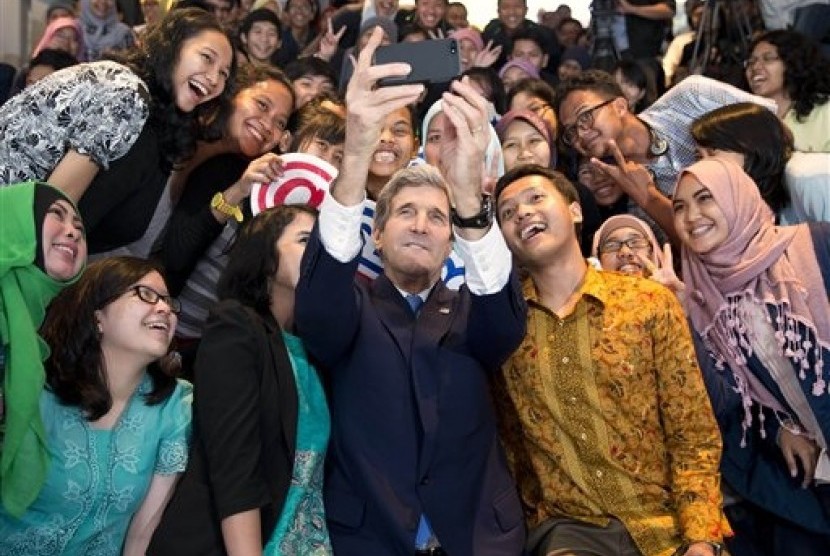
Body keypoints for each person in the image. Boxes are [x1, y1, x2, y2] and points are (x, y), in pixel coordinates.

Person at [294, 27, 527, 555]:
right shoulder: (350, 312)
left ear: (452, 243)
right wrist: (355, 154)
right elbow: (320, 304)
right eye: (405, 212)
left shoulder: (472, 311)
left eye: (437, 217)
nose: (421, 225)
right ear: (375, 234)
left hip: (478, 538)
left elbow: (504, 324)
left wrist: (468, 198)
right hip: (371, 539)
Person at [491, 163, 729, 556]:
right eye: (508, 212)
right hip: (569, 531)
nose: (523, 213)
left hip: (668, 522)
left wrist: (701, 539)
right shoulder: (505, 327)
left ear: (574, 210)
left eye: (535, 198)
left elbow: (693, 433)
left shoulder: (648, 302)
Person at [148, 205, 332, 555]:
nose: (319, 251)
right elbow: (235, 464)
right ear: (264, 255)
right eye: (306, 239)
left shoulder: (318, 349)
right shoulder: (235, 325)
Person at [672, 157, 830, 555]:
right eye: (679, 207)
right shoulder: (698, 298)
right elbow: (727, 402)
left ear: (737, 198)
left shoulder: (816, 244)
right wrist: (778, 428)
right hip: (812, 475)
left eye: (705, 199)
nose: (692, 216)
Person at [0, 8, 235, 254]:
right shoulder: (129, 94)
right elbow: (55, 205)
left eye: (223, 74)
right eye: (207, 58)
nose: (213, 79)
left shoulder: (153, 113)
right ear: (172, 48)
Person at [1, 256, 192, 555]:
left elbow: (143, 532)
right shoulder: (35, 387)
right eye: (146, 294)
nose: (165, 308)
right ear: (97, 316)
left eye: (168, 301)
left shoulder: (173, 408)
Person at [158, 64, 295, 366]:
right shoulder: (177, 132)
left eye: (279, 122)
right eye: (262, 105)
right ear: (233, 94)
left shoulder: (254, 187)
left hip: (196, 353)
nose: (267, 124)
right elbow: (176, 256)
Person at [556, 69, 775, 244]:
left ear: (620, 106)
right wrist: (648, 198)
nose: (581, 135)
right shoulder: (622, 187)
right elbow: (693, 247)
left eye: (585, 117)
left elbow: (771, 120)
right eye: (571, 131)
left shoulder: (690, 97)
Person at [0, 182, 87, 517]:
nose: (73, 233)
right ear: (18, 220)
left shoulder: (30, 338)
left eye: (79, 228)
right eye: (56, 216)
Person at [743, 29, 830, 153]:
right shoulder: (744, 117)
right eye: (751, 62)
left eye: (768, 59)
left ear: (792, 63)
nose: (755, 67)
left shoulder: (825, 111)